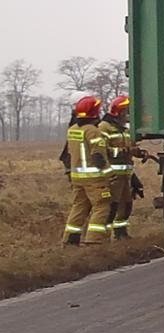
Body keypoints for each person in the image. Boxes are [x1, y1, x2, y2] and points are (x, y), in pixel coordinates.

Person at [59, 96, 114, 245]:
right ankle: (94, 240)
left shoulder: (72, 130)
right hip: (94, 178)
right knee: (102, 206)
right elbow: (98, 157)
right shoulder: (93, 132)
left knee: (79, 207)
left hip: (77, 177)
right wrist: (110, 174)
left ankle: (70, 239)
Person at [99, 96, 146, 239]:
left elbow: (131, 147)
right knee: (112, 206)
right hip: (113, 175)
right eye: (124, 111)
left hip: (126, 175)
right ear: (117, 112)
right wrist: (124, 151)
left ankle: (121, 233)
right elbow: (103, 151)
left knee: (126, 205)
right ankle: (103, 237)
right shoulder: (104, 128)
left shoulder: (124, 129)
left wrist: (140, 152)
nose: (126, 114)